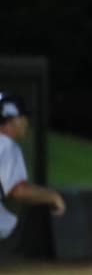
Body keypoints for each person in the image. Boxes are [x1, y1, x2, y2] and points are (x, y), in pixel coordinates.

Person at [0, 92, 67, 242]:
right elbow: (17, 191)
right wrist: (52, 197)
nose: (26, 122)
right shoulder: (6, 146)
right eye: (22, 117)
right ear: (10, 119)